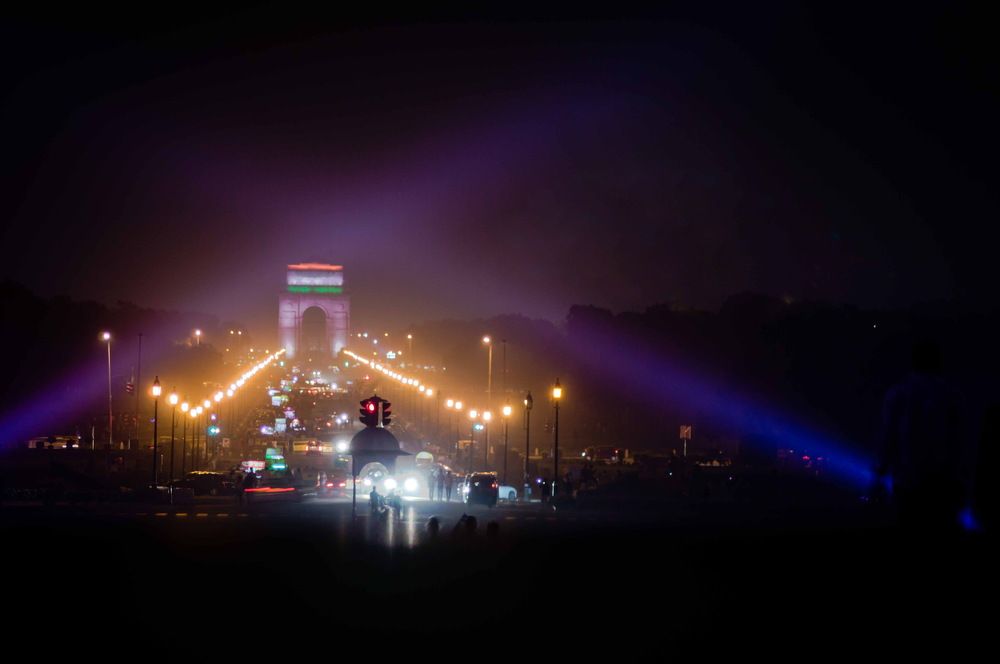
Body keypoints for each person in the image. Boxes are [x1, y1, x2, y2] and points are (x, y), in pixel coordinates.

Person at [876, 340, 970, 531]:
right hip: (943, 483)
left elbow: (888, 435)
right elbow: (959, 440)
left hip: (907, 481)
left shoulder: (898, 393)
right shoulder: (951, 394)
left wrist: (880, 472)